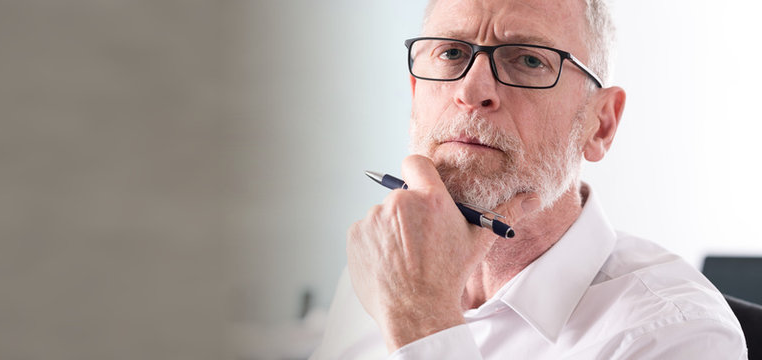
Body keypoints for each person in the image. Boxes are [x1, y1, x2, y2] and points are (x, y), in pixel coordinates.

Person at [310, 0, 748, 358]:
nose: (471, 91)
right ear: (413, 97)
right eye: (451, 53)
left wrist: (422, 323)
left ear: (601, 125)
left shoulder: (678, 333)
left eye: (528, 59)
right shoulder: (382, 269)